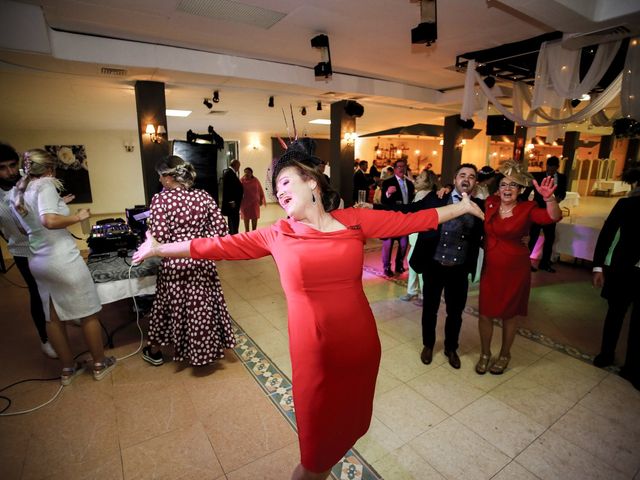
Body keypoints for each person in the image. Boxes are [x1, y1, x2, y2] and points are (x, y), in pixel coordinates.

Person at [133, 147, 484, 480]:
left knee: (347, 427)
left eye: (285, 182)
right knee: (314, 454)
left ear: (312, 181)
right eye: (276, 188)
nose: (279, 192)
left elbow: (412, 220)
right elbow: (216, 246)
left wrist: (462, 208)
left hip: (359, 344)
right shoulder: (277, 234)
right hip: (314, 351)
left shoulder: (354, 222)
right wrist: (160, 248)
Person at [11, 149, 116, 384]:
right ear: (49, 168)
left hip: (37, 260)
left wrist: (60, 204)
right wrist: (78, 217)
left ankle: (68, 369)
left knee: (53, 317)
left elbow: (23, 227)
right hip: (62, 260)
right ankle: (99, 363)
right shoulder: (46, 184)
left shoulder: (18, 190)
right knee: (88, 312)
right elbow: (48, 220)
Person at [377, 164, 484, 369]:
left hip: (459, 268)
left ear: (475, 183)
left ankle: (451, 348)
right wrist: (375, 208)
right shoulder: (437, 198)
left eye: (471, 177)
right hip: (434, 265)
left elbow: (491, 229)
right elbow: (408, 210)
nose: (466, 179)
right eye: (462, 175)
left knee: (455, 312)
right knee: (430, 309)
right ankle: (428, 345)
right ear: (454, 179)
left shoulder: (480, 205)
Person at [142, 156, 235, 367]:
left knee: (166, 309)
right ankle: (204, 352)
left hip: (174, 263)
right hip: (200, 260)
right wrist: (197, 239)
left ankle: (155, 350)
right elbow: (221, 231)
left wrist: (149, 233)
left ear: (167, 178)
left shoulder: (160, 200)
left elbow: (161, 238)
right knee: (201, 309)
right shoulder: (204, 197)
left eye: (160, 176)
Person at [476, 161, 561, 375]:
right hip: (491, 269)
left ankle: (505, 354)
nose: (507, 189)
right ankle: (485, 353)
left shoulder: (528, 208)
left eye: (513, 185)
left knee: (509, 315)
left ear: (521, 190)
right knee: (485, 313)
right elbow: (468, 200)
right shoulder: (490, 202)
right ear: (498, 187)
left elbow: (553, 217)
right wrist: (447, 189)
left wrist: (549, 198)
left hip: (515, 270)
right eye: (504, 184)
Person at [0, 143, 56, 358]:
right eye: (2, 168)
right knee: (37, 292)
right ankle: (45, 338)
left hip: (48, 244)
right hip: (23, 251)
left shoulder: (32, 180)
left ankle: (68, 316)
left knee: (57, 285)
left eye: (12, 166)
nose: (9, 172)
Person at [591, 166, 640, 390]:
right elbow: (607, 234)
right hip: (623, 270)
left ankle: (633, 367)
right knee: (615, 314)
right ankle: (607, 353)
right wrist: (598, 266)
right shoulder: (627, 204)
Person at [398, 169, 438, 305]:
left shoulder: (424, 194)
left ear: (427, 182)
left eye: (421, 177)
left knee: (418, 263)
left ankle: (422, 295)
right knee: (412, 261)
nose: (417, 178)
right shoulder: (423, 193)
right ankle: (413, 291)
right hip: (416, 234)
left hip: (420, 234)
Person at [523, 156, 567, 272]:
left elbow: (563, 193)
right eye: (549, 168)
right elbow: (527, 192)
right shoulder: (538, 176)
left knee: (550, 238)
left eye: (553, 169)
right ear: (546, 166)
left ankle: (544, 263)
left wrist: (558, 199)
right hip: (538, 211)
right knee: (533, 237)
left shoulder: (562, 177)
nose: (551, 170)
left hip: (551, 212)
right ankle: (525, 262)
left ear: (557, 167)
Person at [380, 159, 415, 277]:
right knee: (388, 244)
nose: (401, 169)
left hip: (404, 219)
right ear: (394, 169)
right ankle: (386, 267)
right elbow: (383, 201)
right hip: (391, 219)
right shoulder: (387, 182)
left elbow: (411, 201)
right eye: (399, 167)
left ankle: (399, 264)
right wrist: (388, 193)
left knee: (404, 244)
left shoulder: (410, 184)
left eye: (403, 166)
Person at [240, 167, 267, 232]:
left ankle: (254, 233)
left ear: (251, 173)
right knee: (246, 219)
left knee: (254, 219)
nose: (246, 173)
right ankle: (247, 233)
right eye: (245, 172)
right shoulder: (241, 180)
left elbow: (260, 190)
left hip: (254, 204)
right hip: (245, 204)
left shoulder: (255, 180)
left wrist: (261, 199)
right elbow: (238, 191)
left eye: (248, 172)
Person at [221, 159, 243, 234]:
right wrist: (231, 201)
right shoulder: (229, 173)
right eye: (239, 166)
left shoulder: (231, 173)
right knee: (233, 220)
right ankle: (234, 234)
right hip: (232, 203)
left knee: (233, 219)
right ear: (236, 165)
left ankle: (233, 233)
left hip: (234, 202)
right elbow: (228, 189)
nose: (239, 168)